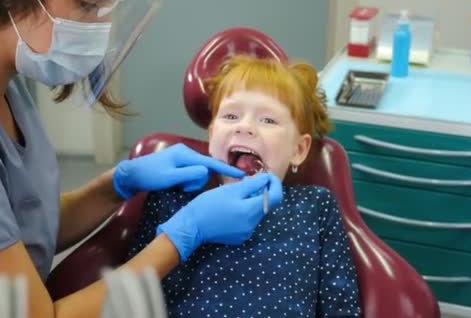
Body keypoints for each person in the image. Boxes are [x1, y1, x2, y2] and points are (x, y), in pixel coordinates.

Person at [0, 0, 283, 317]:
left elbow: (17, 227)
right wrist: (183, 237)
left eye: (108, 5)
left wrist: (115, 186)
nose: (103, 26)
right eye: (87, 3)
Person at [128, 55, 362, 317]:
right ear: (212, 133)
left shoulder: (316, 206)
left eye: (268, 120)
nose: (245, 127)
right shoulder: (173, 198)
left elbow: (341, 306)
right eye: (230, 115)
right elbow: (135, 299)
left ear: (299, 149)